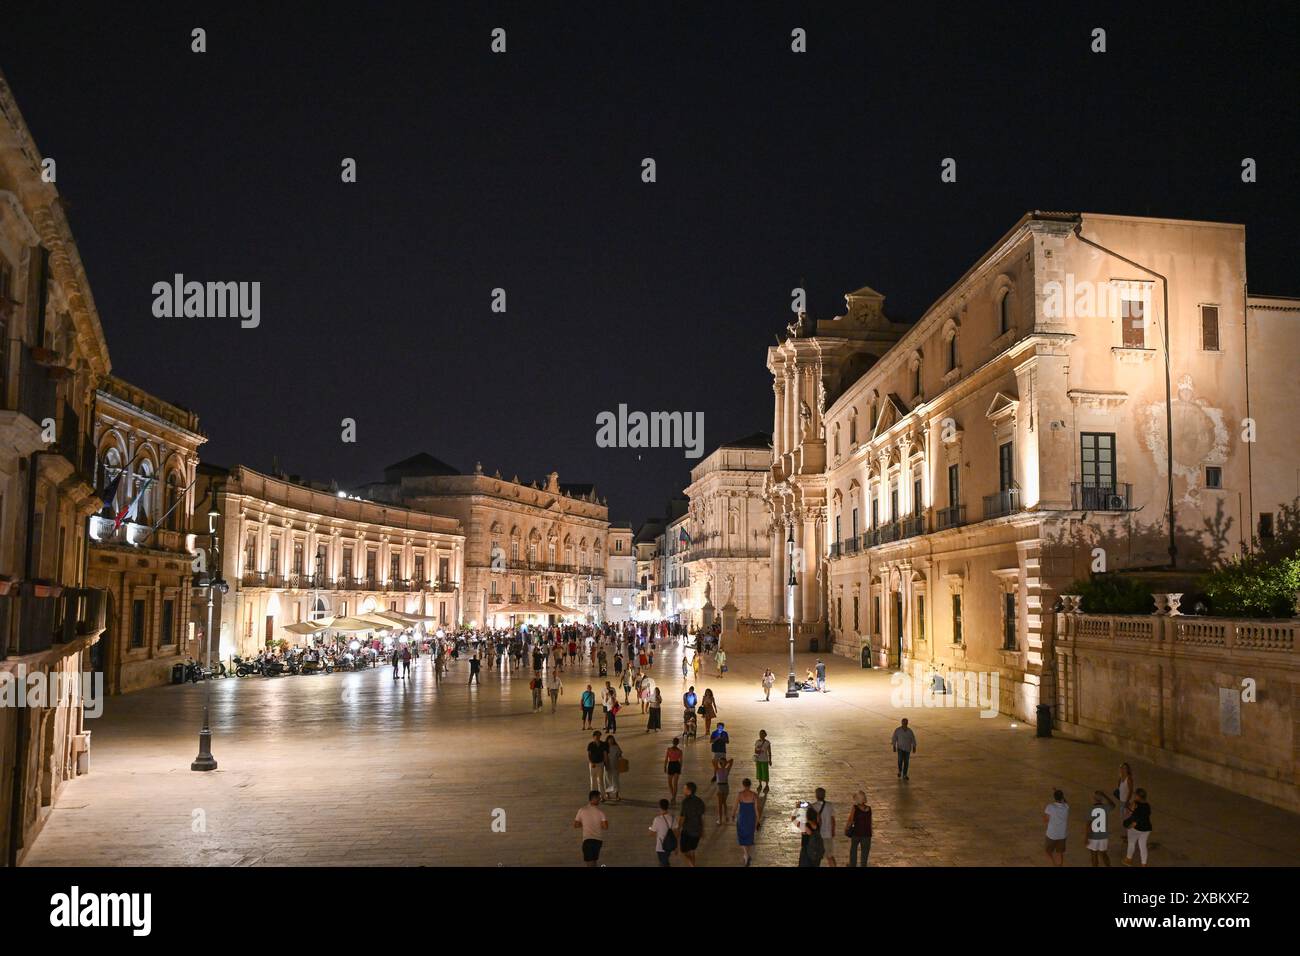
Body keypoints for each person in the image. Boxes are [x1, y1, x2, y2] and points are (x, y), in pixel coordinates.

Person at [573, 791, 608, 867]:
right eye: (599, 798)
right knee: (594, 861)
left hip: (588, 840)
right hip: (598, 841)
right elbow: (605, 827)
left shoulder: (582, 810)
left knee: (589, 863)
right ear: (594, 798)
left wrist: (585, 823)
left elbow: (576, 825)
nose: (599, 800)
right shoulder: (600, 813)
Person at [677, 782, 706, 866]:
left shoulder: (685, 802)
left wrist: (678, 828)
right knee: (692, 851)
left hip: (687, 831)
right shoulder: (700, 801)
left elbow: (682, 817)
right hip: (697, 831)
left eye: (684, 789)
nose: (683, 790)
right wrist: (702, 830)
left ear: (689, 791)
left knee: (683, 852)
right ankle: (692, 864)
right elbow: (701, 817)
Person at [733, 778, 760, 866]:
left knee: (741, 836)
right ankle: (746, 855)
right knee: (749, 837)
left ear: (743, 785)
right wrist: (758, 820)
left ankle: (746, 855)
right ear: (750, 785)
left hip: (742, 818)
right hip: (751, 818)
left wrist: (733, 815)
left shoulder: (740, 795)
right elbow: (756, 809)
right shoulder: (754, 795)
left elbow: (735, 807)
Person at [1123, 789, 1152, 867]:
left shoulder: (1135, 804)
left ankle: (1128, 859)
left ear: (1138, 796)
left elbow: (1131, 815)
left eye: (1135, 795)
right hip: (1146, 828)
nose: (1134, 796)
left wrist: (1128, 827)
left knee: (1131, 843)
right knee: (1142, 846)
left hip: (1136, 828)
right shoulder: (1147, 805)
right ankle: (1144, 864)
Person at [1086, 790, 1116, 867]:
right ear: (1102, 799)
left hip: (1094, 836)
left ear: (1094, 799)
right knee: (1103, 854)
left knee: (1094, 855)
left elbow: (1088, 825)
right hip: (1103, 836)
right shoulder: (1105, 808)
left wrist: (1086, 837)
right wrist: (1105, 795)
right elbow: (1113, 805)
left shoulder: (1091, 809)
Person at [810, 787, 837, 866]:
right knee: (830, 856)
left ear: (816, 795)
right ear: (824, 795)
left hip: (818, 836)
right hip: (828, 834)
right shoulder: (830, 805)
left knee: (816, 856)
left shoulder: (813, 806)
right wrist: (833, 830)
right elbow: (832, 819)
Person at [1044, 789, 1069, 866]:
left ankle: (1053, 864)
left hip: (1052, 834)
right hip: (1062, 834)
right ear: (1062, 797)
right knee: (1060, 852)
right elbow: (1065, 802)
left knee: (1048, 852)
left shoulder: (1050, 807)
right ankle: (1060, 865)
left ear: (1054, 797)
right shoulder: (1066, 807)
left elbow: (1046, 819)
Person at [847, 790, 872, 867]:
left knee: (853, 850)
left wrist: (847, 827)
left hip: (856, 833)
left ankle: (852, 864)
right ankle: (863, 865)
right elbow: (870, 821)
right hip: (867, 834)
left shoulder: (855, 808)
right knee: (865, 852)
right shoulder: (869, 809)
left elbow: (850, 820)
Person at [650, 799, 677, 866]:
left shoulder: (657, 819)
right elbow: (676, 833)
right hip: (670, 845)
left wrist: (650, 828)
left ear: (660, 807)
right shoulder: (673, 818)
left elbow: (652, 833)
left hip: (661, 846)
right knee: (665, 862)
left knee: (663, 863)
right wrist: (676, 847)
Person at [712, 752, 733, 824]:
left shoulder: (717, 769)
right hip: (726, 787)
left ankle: (720, 820)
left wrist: (719, 761)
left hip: (720, 787)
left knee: (720, 804)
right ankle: (726, 816)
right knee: (724, 802)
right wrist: (726, 762)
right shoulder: (727, 769)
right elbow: (732, 760)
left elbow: (713, 761)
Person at [603, 734, 624, 803]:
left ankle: (616, 795)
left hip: (615, 766)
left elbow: (620, 755)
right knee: (607, 780)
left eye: (612, 740)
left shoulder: (616, 747)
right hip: (607, 766)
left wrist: (621, 760)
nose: (611, 741)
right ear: (607, 740)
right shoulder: (605, 748)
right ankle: (608, 794)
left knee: (615, 781)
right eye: (609, 740)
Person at [663, 738, 683, 805]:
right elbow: (681, 761)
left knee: (669, 782)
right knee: (675, 784)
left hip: (671, 765)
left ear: (672, 742)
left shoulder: (669, 749)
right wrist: (680, 768)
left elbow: (666, 759)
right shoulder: (680, 751)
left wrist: (665, 767)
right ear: (678, 743)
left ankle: (673, 796)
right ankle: (674, 797)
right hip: (677, 765)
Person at [587, 732, 607, 796]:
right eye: (596, 736)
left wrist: (605, 763)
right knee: (593, 780)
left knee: (600, 780)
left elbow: (605, 754)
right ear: (593, 737)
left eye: (599, 736)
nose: (598, 737)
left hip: (600, 763)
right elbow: (589, 755)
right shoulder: (590, 744)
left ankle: (602, 795)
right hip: (593, 764)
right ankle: (593, 795)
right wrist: (591, 762)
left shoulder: (603, 744)